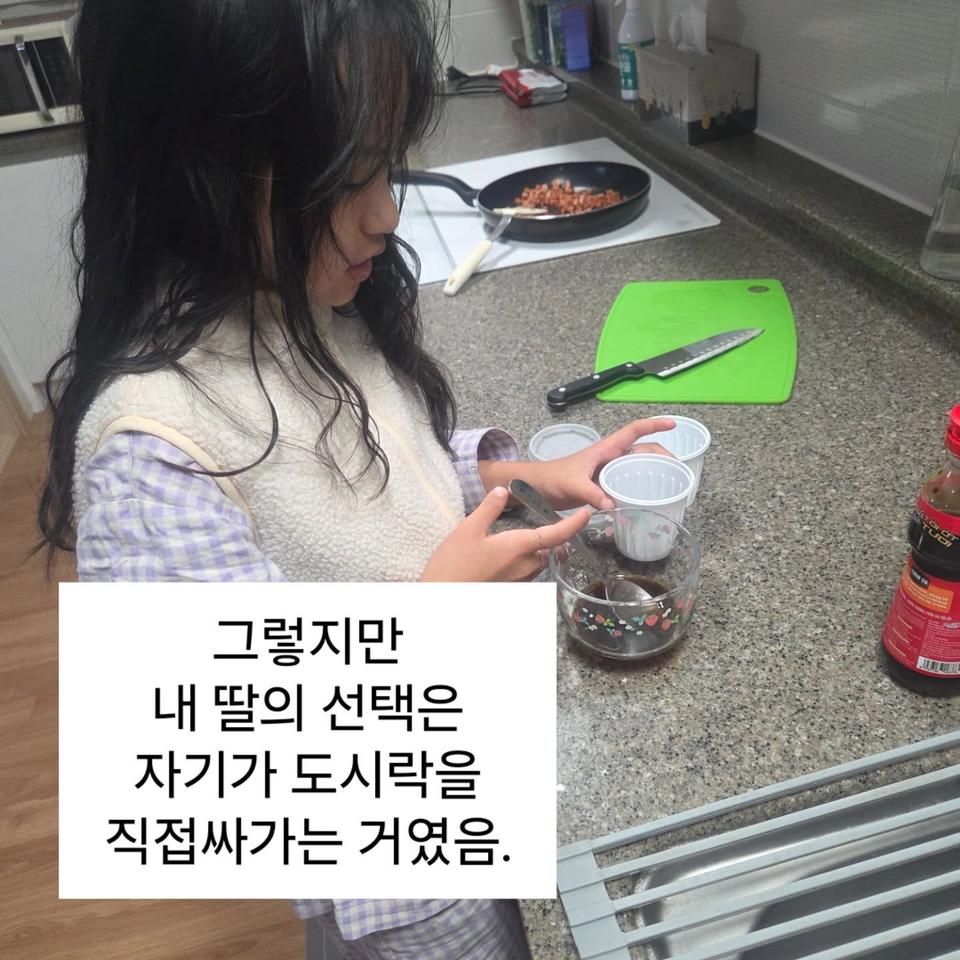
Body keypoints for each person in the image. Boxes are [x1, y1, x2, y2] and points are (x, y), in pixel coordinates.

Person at [39, 0, 673, 955]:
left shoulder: (298, 301)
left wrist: (515, 473)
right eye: (346, 175)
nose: (386, 212)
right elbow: (241, 774)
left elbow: (379, 470)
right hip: (415, 906)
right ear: (197, 167)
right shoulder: (152, 459)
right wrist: (432, 621)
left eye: (388, 163)